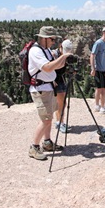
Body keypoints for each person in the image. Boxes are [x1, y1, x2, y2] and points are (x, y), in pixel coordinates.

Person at [28, 26, 72, 160]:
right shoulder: (35, 51)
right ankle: (34, 147)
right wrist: (63, 56)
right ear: (45, 38)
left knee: (49, 118)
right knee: (46, 119)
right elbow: (47, 68)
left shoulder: (45, 50)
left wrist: (64, 60)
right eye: (52, 39)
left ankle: (47, 143)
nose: (53, 42)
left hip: (47, 88)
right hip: (40, 90)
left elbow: (55, 66)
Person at [90, 26, 105, 115]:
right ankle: (101, 107)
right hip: (98, 69)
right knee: (101, 88)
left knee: (102, 88)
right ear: (104, 32)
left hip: (103, 69)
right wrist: (93, 68)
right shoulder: (98, 43)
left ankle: (99, 106)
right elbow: (92, 55)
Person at [53, 39, 73, 133]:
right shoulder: (54, 54)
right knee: (60, 102)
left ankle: (60, 121)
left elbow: (63, 69)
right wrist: (52, 81)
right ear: (60, 47)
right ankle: (59, 123)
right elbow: (50, 68)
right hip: (54, 80)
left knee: (63, 103)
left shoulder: (65, 56)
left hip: (60, 79)